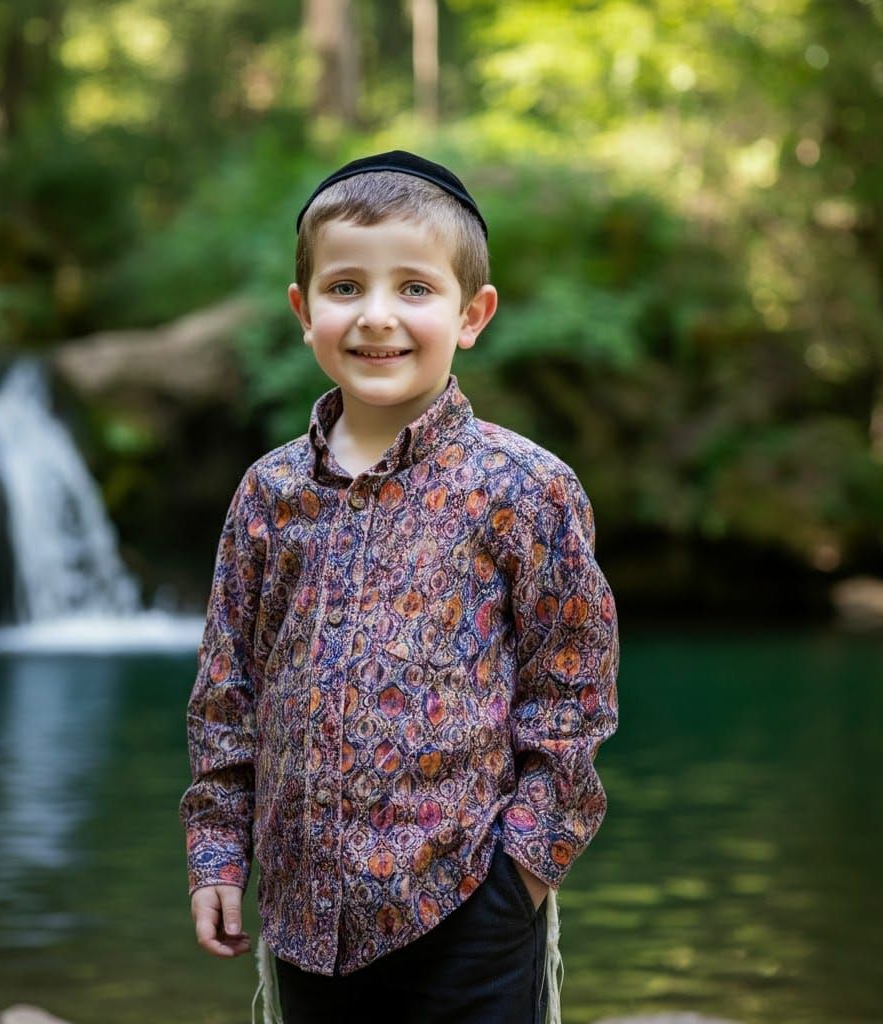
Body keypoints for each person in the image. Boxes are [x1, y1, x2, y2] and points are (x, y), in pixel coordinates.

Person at [179, 150, 620, 1024]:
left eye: (415, 289)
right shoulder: (270, 494)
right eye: (346, 287)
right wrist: (218, 857)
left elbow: (571, 693)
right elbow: (227, 695)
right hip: (306, 921)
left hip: (468, 909)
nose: (377, 317)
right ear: (304, 312)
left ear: (472, 314)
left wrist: (523, 871)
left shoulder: (525, 488)